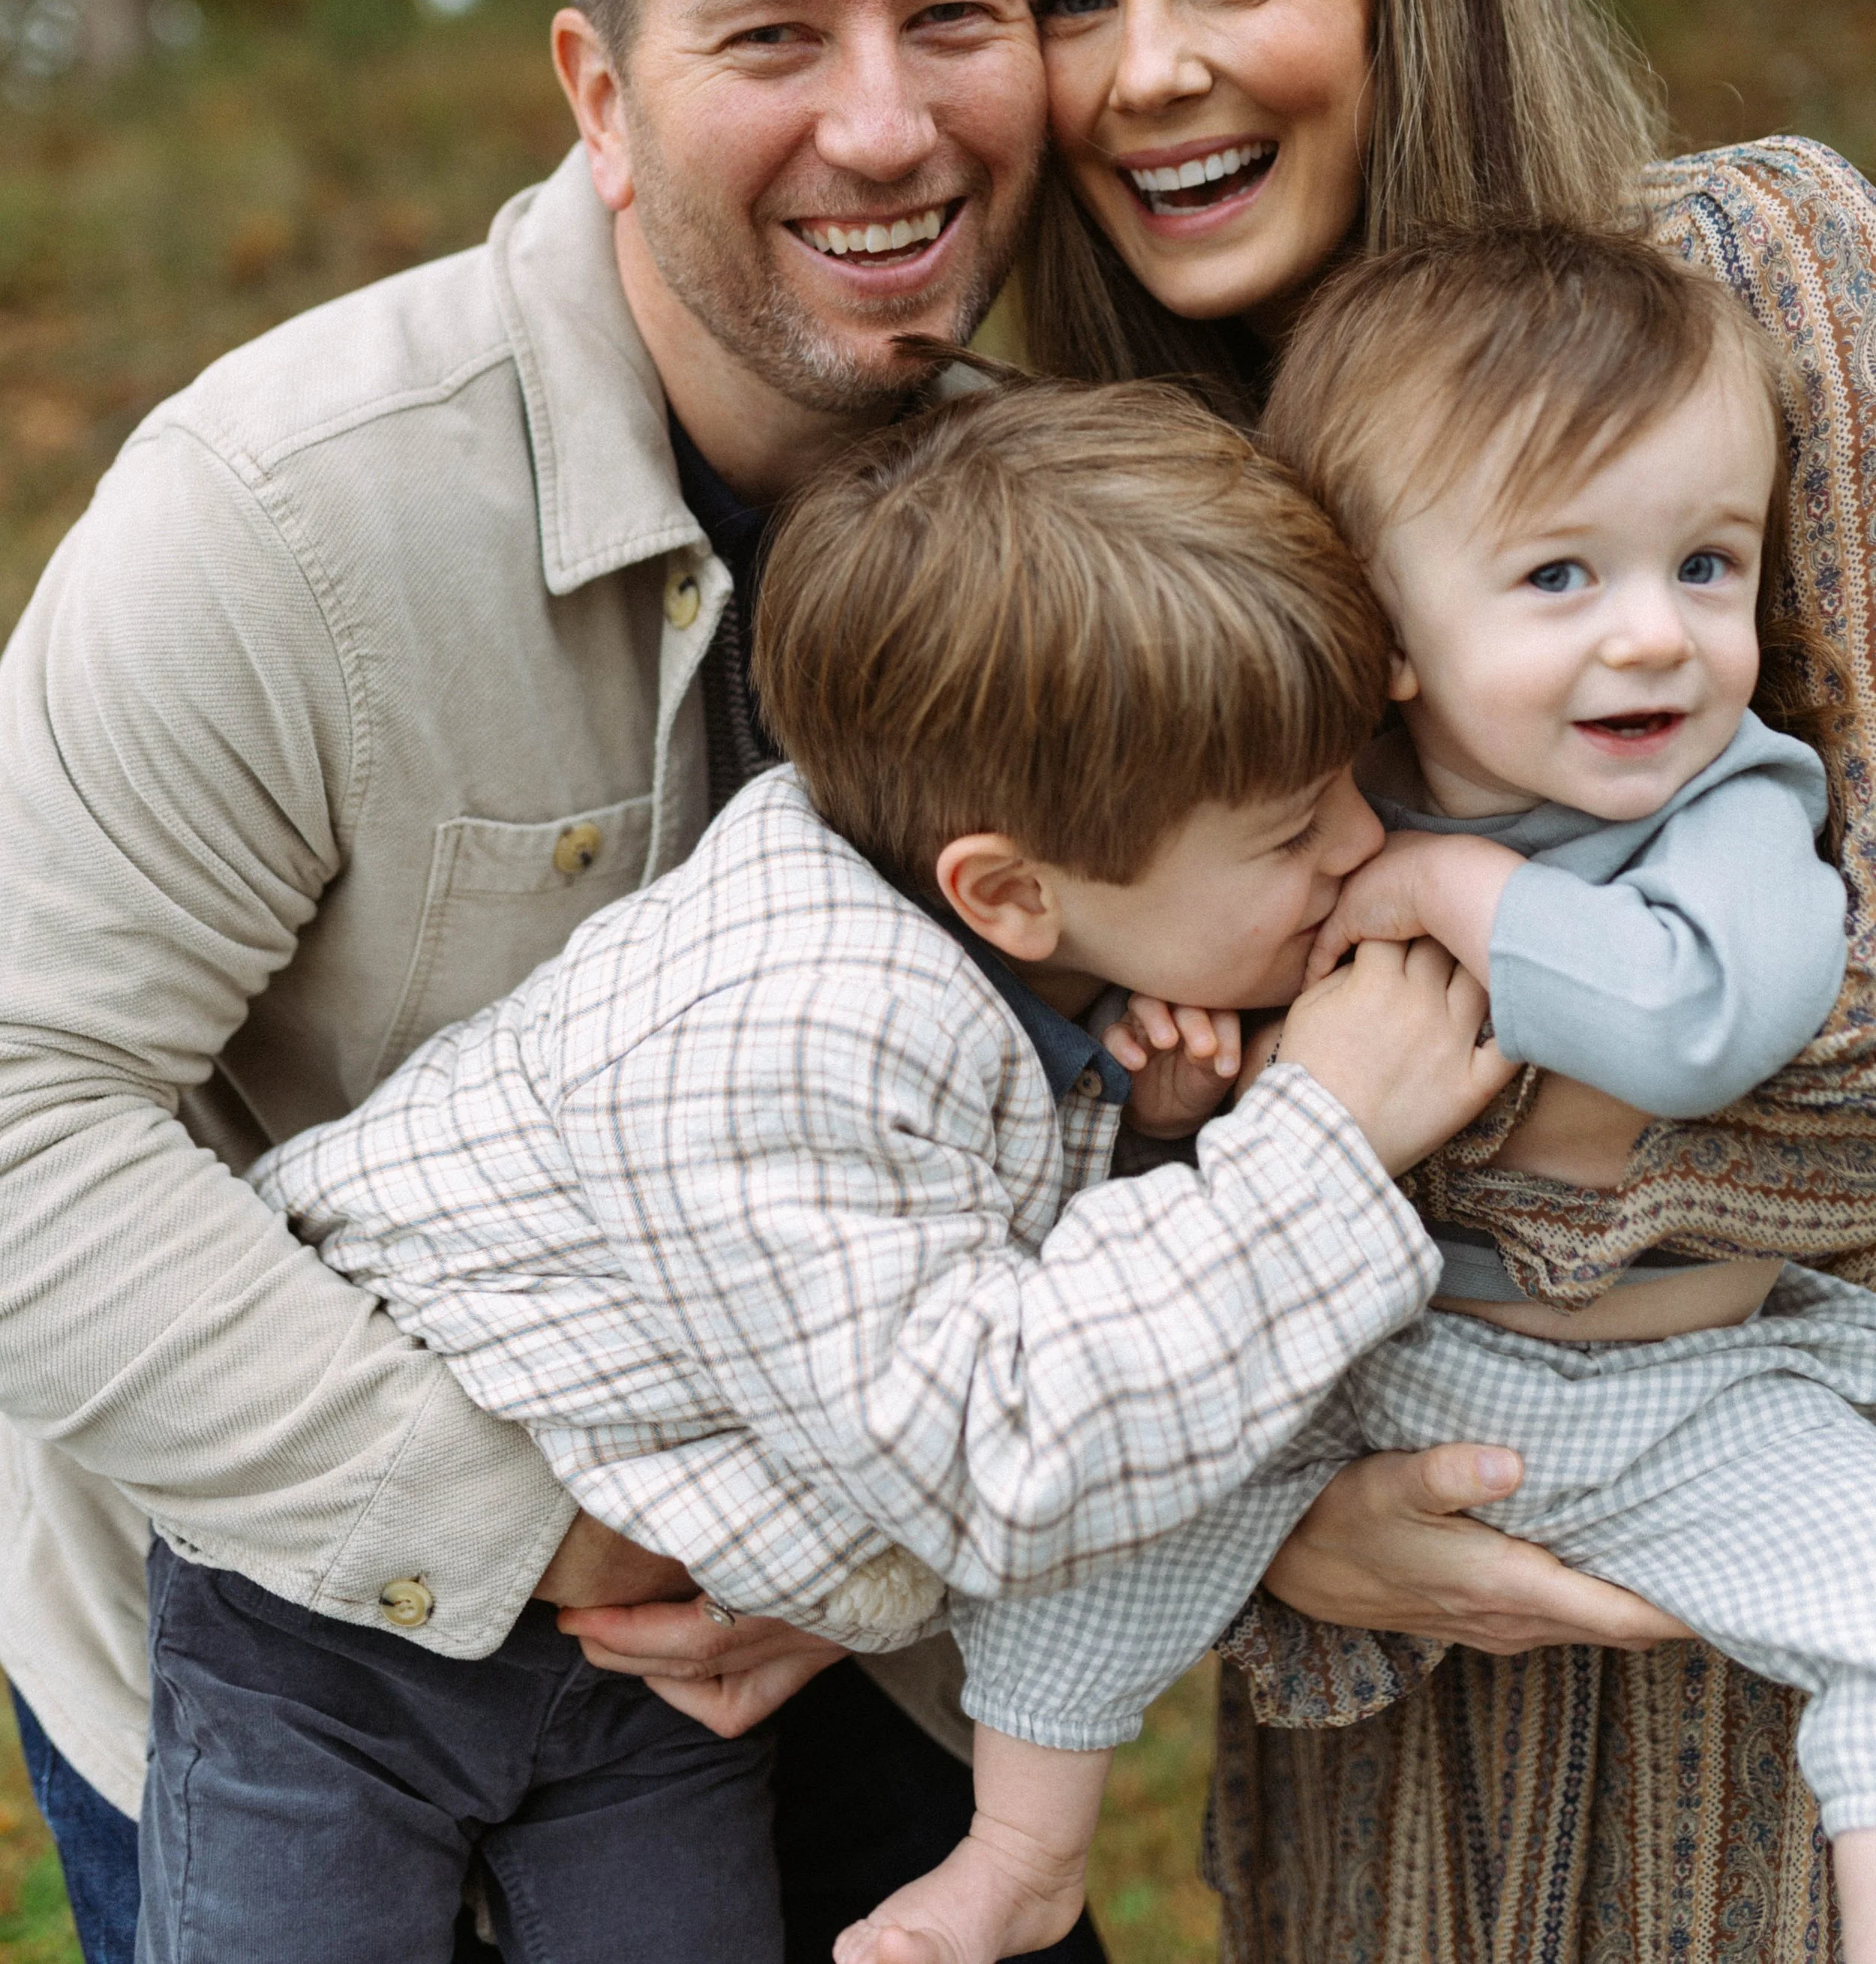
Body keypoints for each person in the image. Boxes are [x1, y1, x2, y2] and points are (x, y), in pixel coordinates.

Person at [0, 0, 1070, 1964]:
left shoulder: (1068, 522)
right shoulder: (282, 517)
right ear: (598, 86)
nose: (883, 122)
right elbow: (17, 1115)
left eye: (953, 17)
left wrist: (842, 1546)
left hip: (828, 1634)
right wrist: (574, 1529)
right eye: (770, 35)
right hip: (304, 1656)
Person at [152, 377, 1505, 1964]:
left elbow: (954, 1285)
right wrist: (1313, 1148)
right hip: (337, 1637)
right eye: (1291, 831)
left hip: (634, 1659)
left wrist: (1147, 1138)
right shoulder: (793, 1030)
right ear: (1005, 889)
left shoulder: (1017, 959)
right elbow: (995, 1456)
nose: (1360, 842)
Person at [991, 0, 1876, 1958]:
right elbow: (1028, 1165)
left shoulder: (1746, 283)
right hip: (1402, 1754)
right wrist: (1286, 1537)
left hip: (1793, 1605)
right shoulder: (1097, 510)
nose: (1146, 70)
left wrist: (1479, 1112)